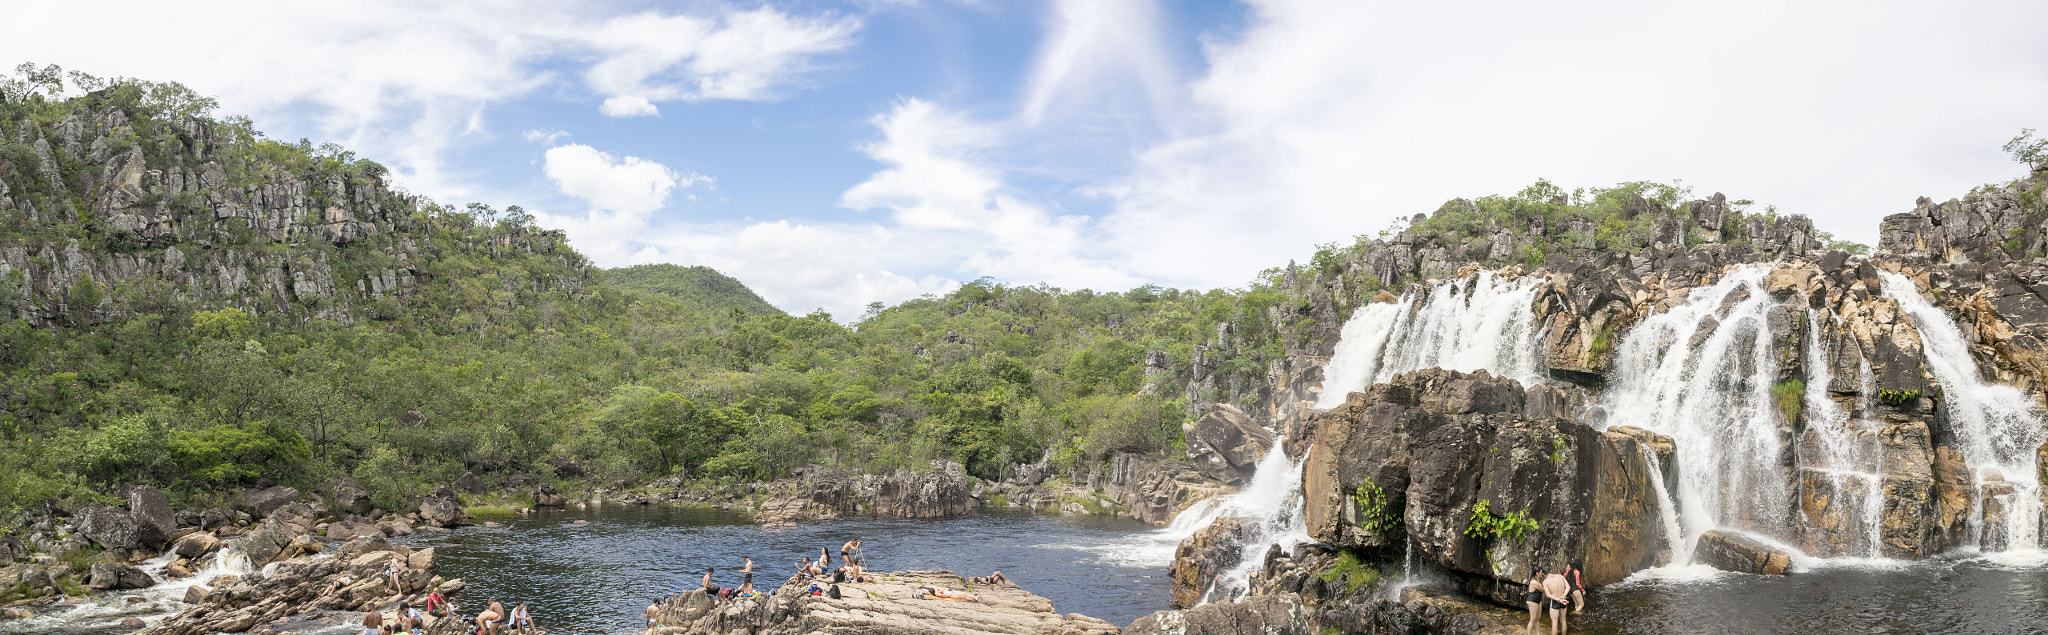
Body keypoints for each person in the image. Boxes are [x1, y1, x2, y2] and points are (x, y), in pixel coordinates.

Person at [1542, 570, 1572, 635]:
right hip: (1563, 600)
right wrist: (1563, 596)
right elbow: (1568, 587)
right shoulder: (1560, 576)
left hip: (1555, 601)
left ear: (1543, 574)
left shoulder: (1545, 582)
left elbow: (1548, 595)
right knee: (1563, 620)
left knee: (1554, 622)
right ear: (1550, 570)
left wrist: (1558, 600)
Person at [1522, 568, 1545, 635]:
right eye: (1541, 572)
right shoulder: (1534, 582)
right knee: (1533, 619)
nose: (1542, 573)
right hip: (1532, 601)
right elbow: (1542, 589)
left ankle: (1538, 634)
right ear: (1537, 573)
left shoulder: (1537, 580)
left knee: (1537, 618)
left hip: (1538, 600)